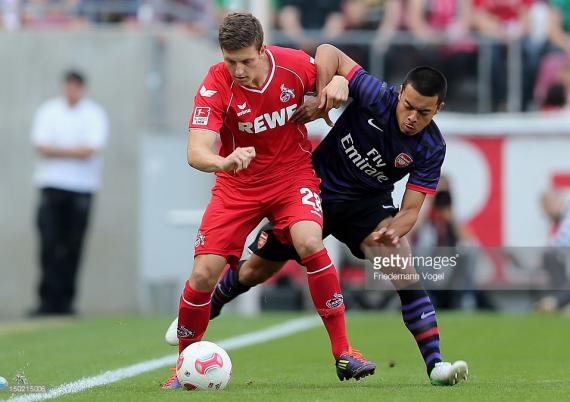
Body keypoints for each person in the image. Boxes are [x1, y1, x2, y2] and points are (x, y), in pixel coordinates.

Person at [166, 44, 469, 386]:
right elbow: (328, 51)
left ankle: (435, 365)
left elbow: (411, 209)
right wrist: (325, 91)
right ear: (400, 94)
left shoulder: (431, 147)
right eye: (408, 106)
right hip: (315, 189)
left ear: (438, 110)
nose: (412, 118)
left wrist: (393, 231)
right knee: (255, 270)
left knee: (400, 262)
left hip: (366, 206)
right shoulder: (377, 96)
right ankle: (211, 307)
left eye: (424, 113)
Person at [162, 13, 375, 389]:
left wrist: (338, 81)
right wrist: (222, 161)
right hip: (236, 186)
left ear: (263, 49)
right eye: (231, 61)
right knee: (203, 275)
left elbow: (337, 60)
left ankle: (344, 352)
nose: (239, 70)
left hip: (291, 178)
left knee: (309, 241)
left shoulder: (292, 65)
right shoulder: (216, 83)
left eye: (247, 60)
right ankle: (182, 366)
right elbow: (196, 151)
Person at [30, 70, 109, 317]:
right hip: (51, 185)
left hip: (81, 188)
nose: (72, 91)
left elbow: (91, 149)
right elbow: (41, 146)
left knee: (73, 245)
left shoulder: (94, 114)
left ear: (82, 88)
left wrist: (58, 151)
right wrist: (74, 152)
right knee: (49, 244)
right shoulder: (48, 111)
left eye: (76, 87)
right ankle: (46, 301)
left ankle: (66, 302)